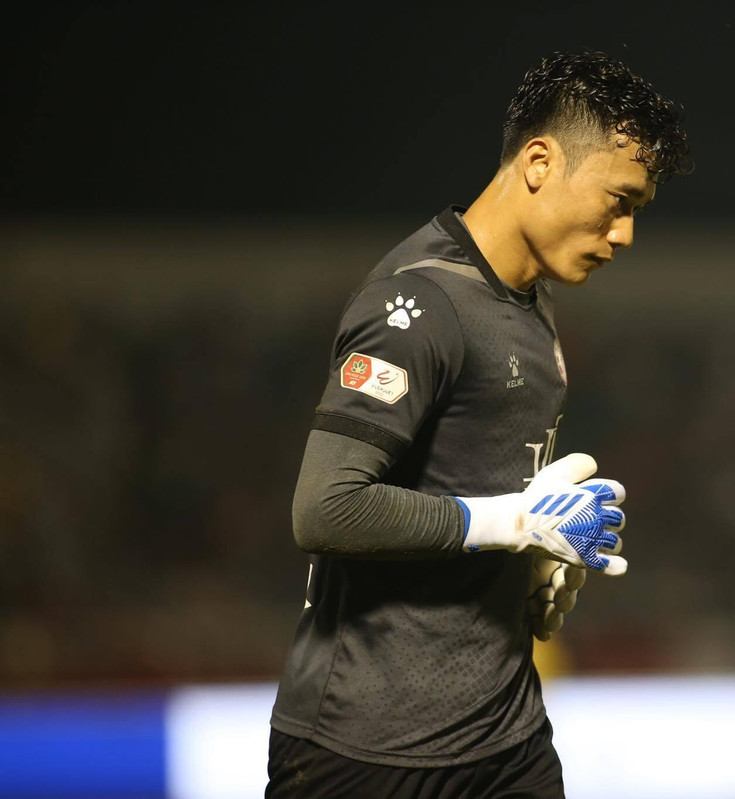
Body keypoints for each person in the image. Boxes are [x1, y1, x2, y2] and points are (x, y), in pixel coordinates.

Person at [265, 51, 690, 798]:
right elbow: (326, 508)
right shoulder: (416, 306)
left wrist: (532, 565)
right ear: (539, 163)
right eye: (618, 201)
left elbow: (463, 482)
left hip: (509, 740)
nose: (625, 234)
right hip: (366, 752)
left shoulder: (530, 302)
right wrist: (517, 522)